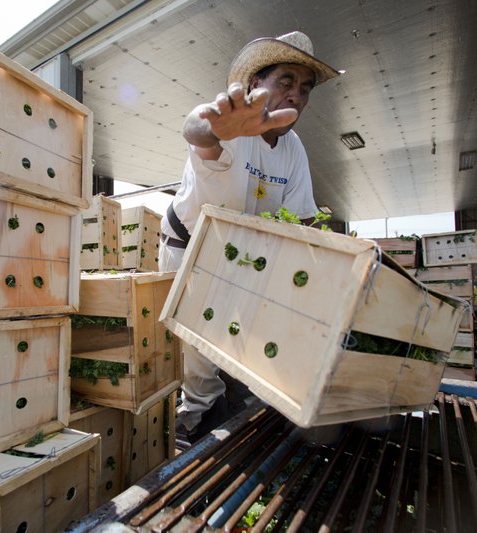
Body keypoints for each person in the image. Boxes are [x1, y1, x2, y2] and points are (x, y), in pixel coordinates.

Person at [159, 30, 341, 442]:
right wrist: (216, 129)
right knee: (199, 354)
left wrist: (336, 269)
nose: (296, 95)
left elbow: (302, 221)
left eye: (305, 88)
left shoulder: (293, 148)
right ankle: (193, 427)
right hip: (190, 247)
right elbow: (196, 131)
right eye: (285, 81)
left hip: (237, 255)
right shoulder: (230, 127)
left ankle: (222, 404)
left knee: (239, 337)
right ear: (256, 84)